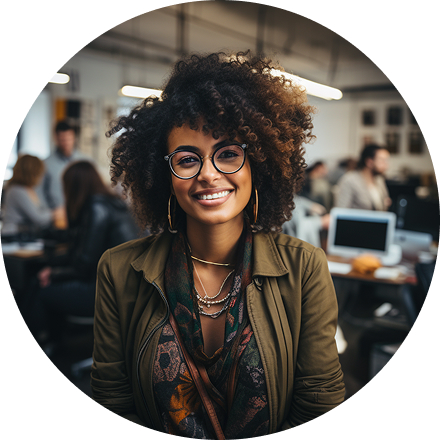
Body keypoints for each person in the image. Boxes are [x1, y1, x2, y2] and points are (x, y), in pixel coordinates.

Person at [91, 51, 345, 438]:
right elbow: (113, 406)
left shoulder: (304, 267)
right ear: (166, 176)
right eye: (188, 159)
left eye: (228, 154)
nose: (209, 175)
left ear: (258, 163)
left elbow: (319, 407)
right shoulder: (118, 270)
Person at [26, 161, 139, 348]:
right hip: (127, 289)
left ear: (74, 186)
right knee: (41, 281)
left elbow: (83, 264)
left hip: (110, 294)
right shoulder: (109, 203)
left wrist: (53, 273)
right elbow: (83, 254)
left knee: (40, 290)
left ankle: (42, 346)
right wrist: (53, 269)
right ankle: (52, 344)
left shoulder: (97, 208)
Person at [1, 154, 65, 236]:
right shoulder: (17, 191)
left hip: (23, 236)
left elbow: (41, 212)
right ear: (32, 173)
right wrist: (56, 213)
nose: (41, 177)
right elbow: (38, 218)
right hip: (12, 236)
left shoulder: (30, 190)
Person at [38, 120, 88, 209]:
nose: (66, 143)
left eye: (69, 139)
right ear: (56, 138)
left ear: (74, 138)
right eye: (63, 139)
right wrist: (50, 214)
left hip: (81, 214)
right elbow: (40, 193)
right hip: (55, 216)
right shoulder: (45, 164)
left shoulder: (84, 162)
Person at [335, 144, 391, 211]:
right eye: (382, 160)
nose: (386, 165)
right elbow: (341, 210)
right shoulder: (349, 180)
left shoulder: (379, 180)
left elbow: (384, 203)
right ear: (369, 162)